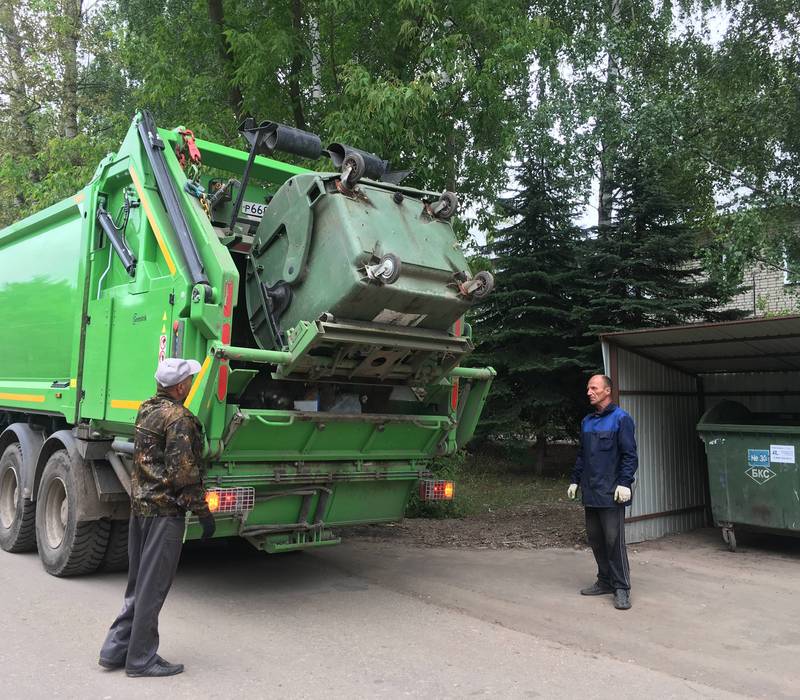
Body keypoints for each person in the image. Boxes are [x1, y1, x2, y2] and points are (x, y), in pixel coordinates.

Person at [99, 357, 216, 677]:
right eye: (190, 380)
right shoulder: (179, 419)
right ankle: (141, 660)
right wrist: (203, 512)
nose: (192, 384)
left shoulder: (146, 409)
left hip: (140, 510)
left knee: (138, 584)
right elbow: (184, 474)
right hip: (164, 514)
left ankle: (115, 649)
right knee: (153, 588)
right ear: (180, 387)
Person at [568, 374, 638, 610]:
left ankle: (622, 588)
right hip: (591, 491)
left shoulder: (621, 419)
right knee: (596, 539)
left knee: (613, 540)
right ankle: (605, 581)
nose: (589, 392)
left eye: (594, 388)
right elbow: (582, 455)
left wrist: (625, 483)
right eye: (588, 388)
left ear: (607, 391)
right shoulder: (587, 421)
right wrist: (575, 481)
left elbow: (629, 455)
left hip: (612, 492)